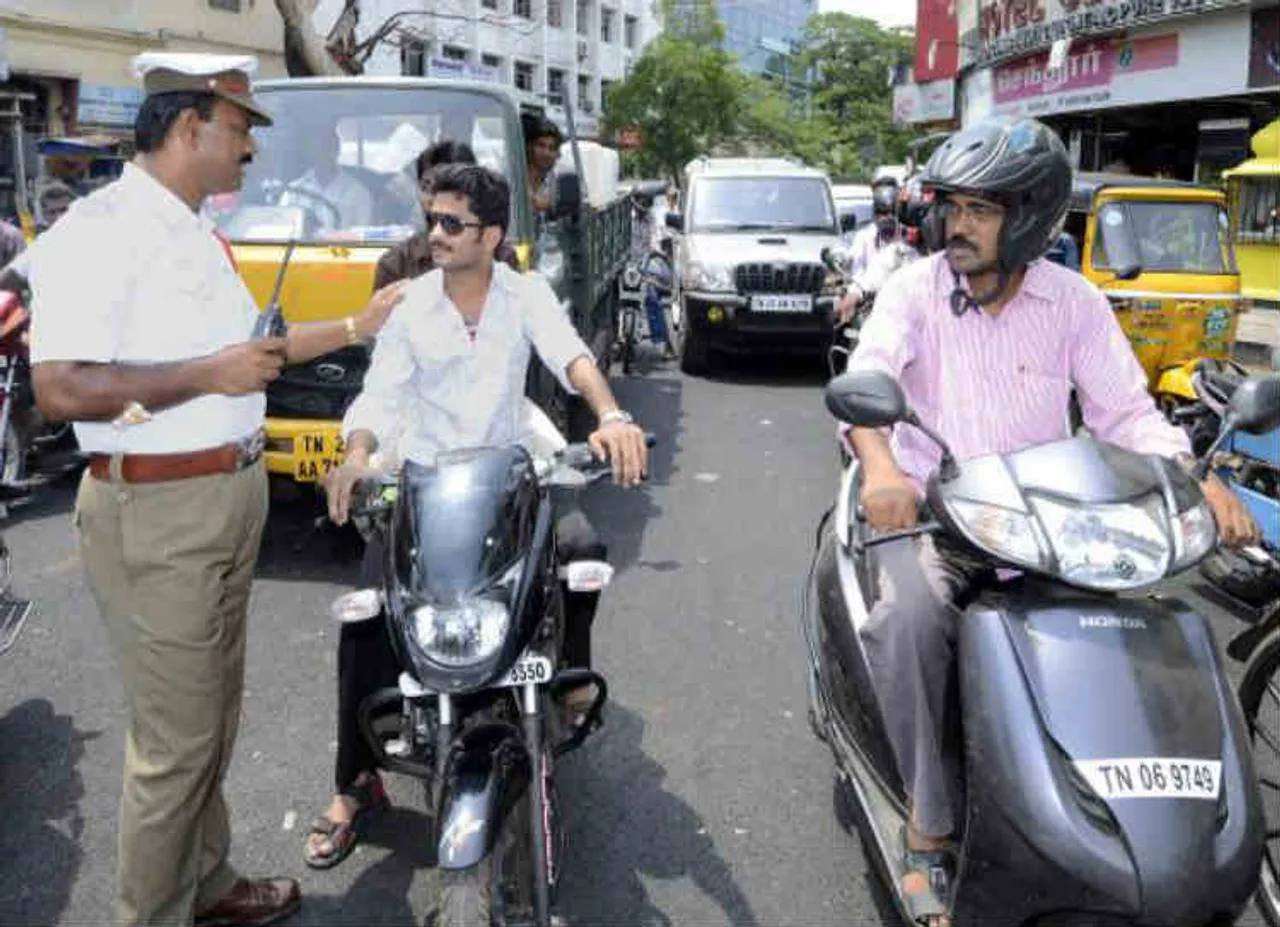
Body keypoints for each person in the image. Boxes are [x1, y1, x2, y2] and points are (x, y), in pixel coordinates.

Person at [844, 116, 1258, 927]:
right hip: (938, 515)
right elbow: (868, 380)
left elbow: (1126, 415)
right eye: (952, 206)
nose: (955, 225)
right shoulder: (914, 290)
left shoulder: (1072, 301)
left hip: (1049, 521)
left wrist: (1201, 484)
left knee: (1131, 626)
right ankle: (929, 826)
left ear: (1028, 216)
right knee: (913, 616)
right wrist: (884, 467)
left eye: (980, 210)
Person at [26, 51, 409, 926]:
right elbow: (62, 388)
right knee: (174, 745)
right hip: (158, 508)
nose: (250, 152)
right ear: (190, 124)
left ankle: (206, 882)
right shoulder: (100, 230)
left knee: (212, 720)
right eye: (240, 131)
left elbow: (257, 355)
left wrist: (359, 322)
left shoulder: (194, 232)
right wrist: (207, 374)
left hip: (228, 500)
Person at [304, 163, 648, 870]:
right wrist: (358, 454)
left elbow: (571, 357)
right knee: (367, 620)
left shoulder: (525, 295)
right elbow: (379, 394)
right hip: (424, 486)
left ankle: (569, 680)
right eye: (433, 219)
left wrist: (610, 413)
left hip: (507, 479)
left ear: (491, 235)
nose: (435, 234)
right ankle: (354, 782)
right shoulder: (409, 304)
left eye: (452, 224)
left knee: (583, 550)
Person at [373, 140, 517, 290]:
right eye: (427, 186)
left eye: (449, 189)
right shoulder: (396, 264)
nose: (437, 196)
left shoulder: (502, 258)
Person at [280, 122, 373, 230]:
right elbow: (281, 230)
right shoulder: (294, 191)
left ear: (337, 150)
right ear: (310, 152)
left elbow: (364, 237)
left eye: (328, 148)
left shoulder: (358, 192)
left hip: (342, 247)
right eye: (318, 148)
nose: (323, 153)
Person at [848, 176, 901, 276]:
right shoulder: (863, 238)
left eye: (891, 212)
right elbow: (856, 273)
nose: (887, 217)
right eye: (882, 212)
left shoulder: (906, 238)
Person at [523, 114, 562, 218]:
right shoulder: (513, 178)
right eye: (541, 145)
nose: (546, 153)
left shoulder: (555, 184)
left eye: (552, 148)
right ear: (529, 147)